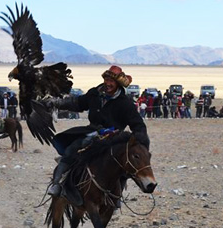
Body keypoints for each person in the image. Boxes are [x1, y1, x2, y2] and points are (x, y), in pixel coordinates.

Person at [42, 65, 149, 200]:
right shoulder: (95, 93)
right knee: (72, 149)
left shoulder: (125, 103)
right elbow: (78, 103)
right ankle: (58, 184)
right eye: (106, 79)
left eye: (112, 81)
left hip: (114, 138)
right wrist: (55, 102)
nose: (108, 84)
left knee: (123, 163)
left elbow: (138, 125)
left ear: (118, 83)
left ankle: (115, 196)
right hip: (92, 131)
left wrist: (140, 142)